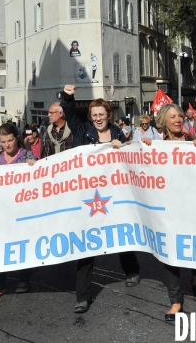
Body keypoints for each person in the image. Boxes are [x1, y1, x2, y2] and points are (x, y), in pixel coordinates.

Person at [61, 84, 140, 313]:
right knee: (87, 242)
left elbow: (129, 155)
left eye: (101, 114)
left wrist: (121, 145)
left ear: (108, 115)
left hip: (113, 192)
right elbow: (68, 110)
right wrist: (68, 96)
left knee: (120, 231)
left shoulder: (117, 132)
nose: (98, 118)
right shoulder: (81, 129)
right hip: (87, 194)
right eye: (94, 115)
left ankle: (132, 270)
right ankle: (82, 296)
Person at [139, 103, 196, 320]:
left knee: (192, 245)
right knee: (169, 253)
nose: (178, 120)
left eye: (180, 116)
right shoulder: (155, 146)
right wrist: (145, 147)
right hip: (167, 208)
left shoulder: (193, 143)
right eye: (172, 117)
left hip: (192, 206)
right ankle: (175, 301)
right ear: (163, 123)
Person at [0, 123, 36, 300]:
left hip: (21, 209)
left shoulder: (27, 155)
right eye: (3, 141)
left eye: (10, 140)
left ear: (16, 138)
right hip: (1, 210)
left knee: (22, 244)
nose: (7, 145)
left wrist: (34, 167)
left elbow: (40, 178)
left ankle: (24, 279)